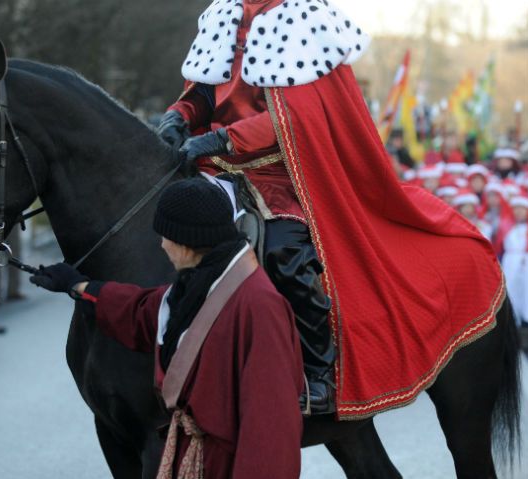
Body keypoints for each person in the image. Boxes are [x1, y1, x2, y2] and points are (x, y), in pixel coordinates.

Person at [156, 0, 504, 420]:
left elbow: (296, 118)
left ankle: (319, 374)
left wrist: (223, 140)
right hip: (213, 164)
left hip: (281, 169)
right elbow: (203, 92)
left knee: (285, 250)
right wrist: (179, 115)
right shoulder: (224, 14)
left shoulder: (301, 19)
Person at [30, 178, 304, 478]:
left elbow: (270, 430)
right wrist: (77, 286)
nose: (162, 245)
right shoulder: (202, 283)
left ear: (188, 241)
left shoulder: (259, 306)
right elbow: (142, 310)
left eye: (166, 237)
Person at [501, 194, 528, 345]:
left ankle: (526, 328)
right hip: (510, 263)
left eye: (522, 208)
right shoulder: (507, 226)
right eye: (516, 209)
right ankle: (511, 329)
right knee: (511, 294)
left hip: (527, 263)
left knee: (527, 295)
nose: (519, 212)